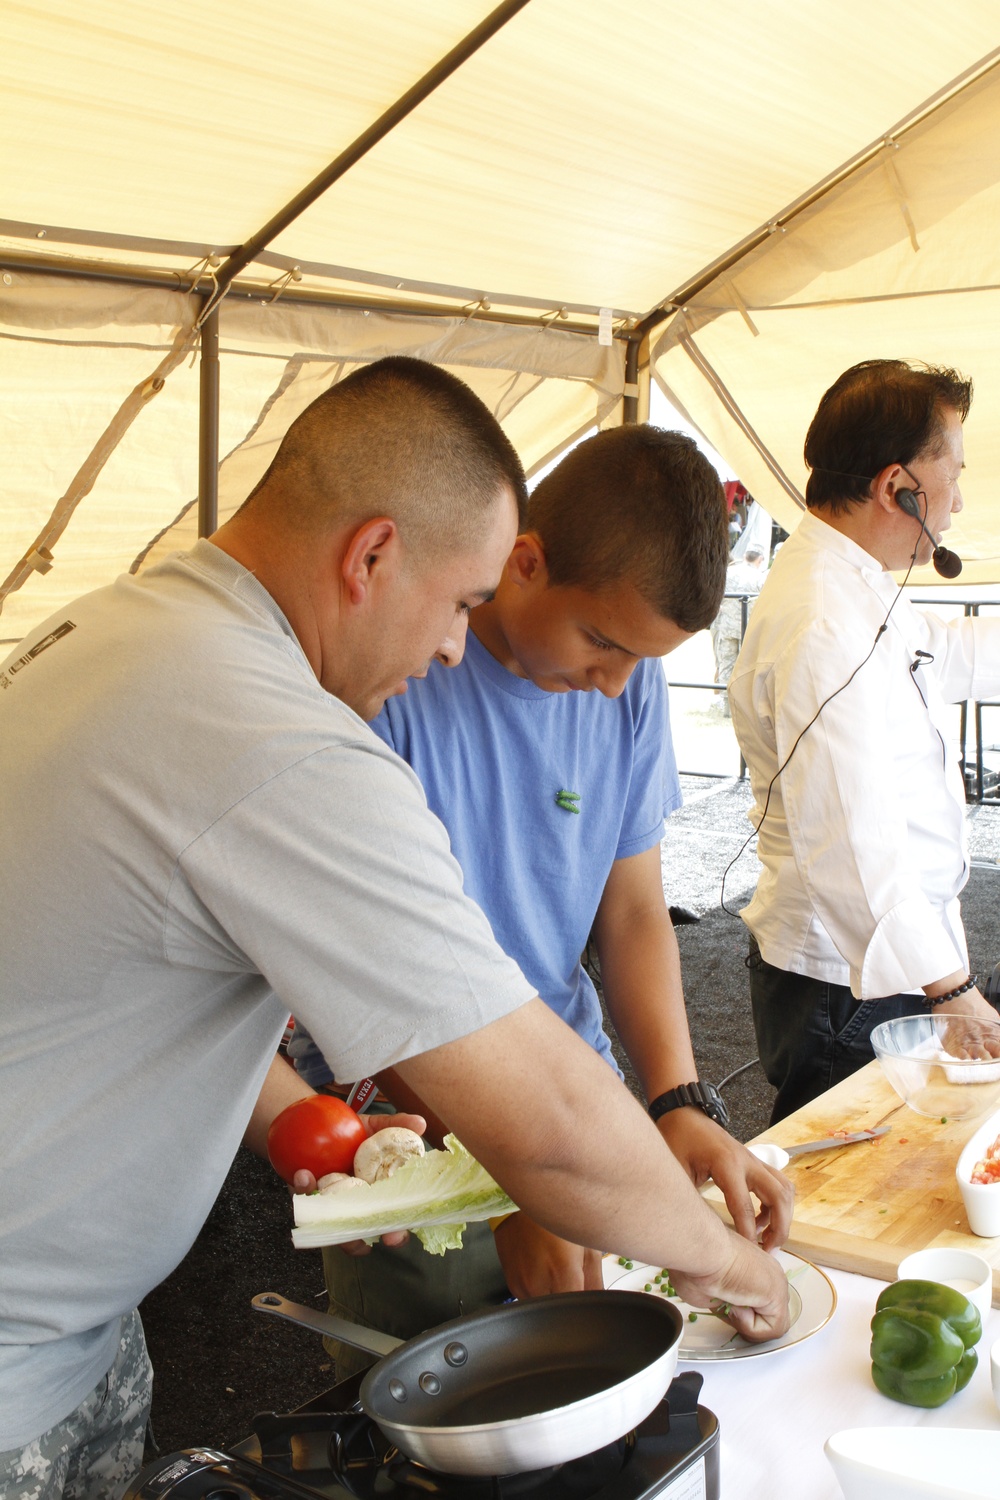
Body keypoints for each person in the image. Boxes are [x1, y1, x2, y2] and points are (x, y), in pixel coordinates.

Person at [0, 358, 790, 1499]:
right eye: (463, 603)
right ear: (371, 556)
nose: (456, 649)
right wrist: (725, 1265)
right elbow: (551, 1121)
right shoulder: (271, 734)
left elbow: (131, 984)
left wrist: (297, 1125)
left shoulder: (126, 624)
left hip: (73, 1322)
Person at [290, 425, 794, 1376]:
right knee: (430, 1385)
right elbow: (373, 984)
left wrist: (676, 1099)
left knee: (627, 1379)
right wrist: (508, 1174)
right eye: (602, 642)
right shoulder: (386, 677)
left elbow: (635, 911)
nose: (614, 687)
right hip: (421, 1122)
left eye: (643, 660)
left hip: (573, 1094)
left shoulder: (625, 687)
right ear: (522, 562)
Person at [729, 359, 1000, 1122]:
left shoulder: (853, 578)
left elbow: (937, 653)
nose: (957, 502)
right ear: (896, 488)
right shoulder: (821, 618)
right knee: (839, 1193)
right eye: (954, 474)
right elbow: (851, 845)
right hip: (851, 982)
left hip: (882, 962)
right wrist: (951, 990)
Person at [710, 543, 767, 715]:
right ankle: (742, 710)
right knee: (746, 669)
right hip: (747, 630)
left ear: (745, 556)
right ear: (760, 559)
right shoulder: (759, 577)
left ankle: (726, 708)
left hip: (726, 627)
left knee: (726, 665)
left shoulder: (729, 573)